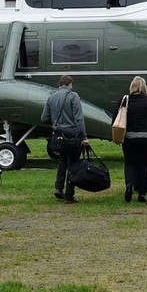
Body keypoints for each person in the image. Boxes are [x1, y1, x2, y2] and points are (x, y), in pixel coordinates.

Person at [41, 74, 90, 202]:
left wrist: (55, 122)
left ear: (59, 84)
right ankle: (69, 194)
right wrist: (84, 136)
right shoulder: (73, 96)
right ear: (70, 85)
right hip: (72, 134)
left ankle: (58, 188)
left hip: (58, 135)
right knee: (73, 163)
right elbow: (79, 118)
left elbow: (44, 118)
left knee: (62, 161)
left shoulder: (51, 97)